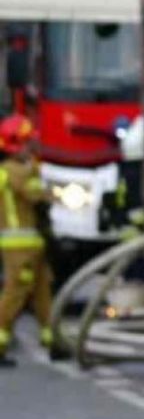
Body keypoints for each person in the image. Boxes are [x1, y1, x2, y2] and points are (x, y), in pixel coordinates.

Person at [0, 115, 53, 364]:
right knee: (16, 292)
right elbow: (35, 194)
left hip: (32, 242)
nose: (32, 147)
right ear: (16, 144)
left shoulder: (19, 170)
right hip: (19, 245)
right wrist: (38, 172)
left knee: (43, 290)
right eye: (28, 142)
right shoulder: (13, 171)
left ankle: (51, 336)